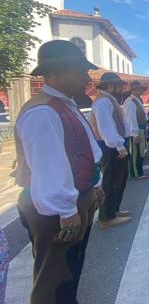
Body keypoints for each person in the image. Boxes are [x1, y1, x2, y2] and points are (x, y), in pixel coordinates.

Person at [13, 40, 105, 304]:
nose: (86, 78)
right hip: (56, 211)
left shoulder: (63, 104)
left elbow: (83, 150)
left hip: (74, 201)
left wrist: (94, 186)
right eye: (79, 71)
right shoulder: (43, 111)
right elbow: (49, 168)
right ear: (53, 74)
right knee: (53, 281)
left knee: (70, 272)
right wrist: (67, 211)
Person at [90, 72, 132, 229]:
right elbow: (106, 127)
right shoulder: (103, 102)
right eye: (119, 85)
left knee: (119, 179)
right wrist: (118, 145)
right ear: (110, 86)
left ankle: (114, 210)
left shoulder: (109, 100)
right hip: (110, 147)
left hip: (114, 145)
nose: (121, 88)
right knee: (110, 180)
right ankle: (106, 217)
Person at [123, 81, 149, 180]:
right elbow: (131, 119)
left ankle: (138, 172)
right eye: (139, 89)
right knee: (136, 153)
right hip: (137, 131)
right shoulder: (130, 102)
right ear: (133, 90)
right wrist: (135, 134)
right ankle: (136, 173)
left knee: (140, 152)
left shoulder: (137, 100)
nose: (141, 91)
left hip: (140, 130)